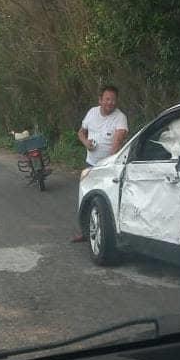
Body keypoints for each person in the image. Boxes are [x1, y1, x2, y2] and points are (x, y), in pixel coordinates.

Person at [72, 85, 128, 242]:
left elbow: (117, 142)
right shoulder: (91, 113)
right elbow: (81, 132)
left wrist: (107, 165)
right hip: (90, 164)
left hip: (108, 167)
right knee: (86, 198)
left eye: (113, 100)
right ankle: (85, 231)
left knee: (104, 201)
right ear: (100, 100)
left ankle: (108, 236)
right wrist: (86, 143)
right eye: (107, 99)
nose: (110, 103)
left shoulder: (120, 118)